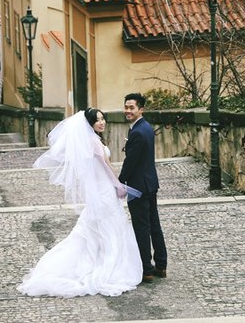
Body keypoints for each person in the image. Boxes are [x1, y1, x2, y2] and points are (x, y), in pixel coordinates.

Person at [17, 108, 142, 298]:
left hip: (100, 189)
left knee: (100, 227)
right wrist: (118, 185)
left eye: (102, 119)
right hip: (104, 190)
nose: (102, 123)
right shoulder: (93, 141)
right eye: (97, 120)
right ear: (89, 124)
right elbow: (106, 166)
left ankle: (102, 258)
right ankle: (110, 264)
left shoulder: (92, 139)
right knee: (110, 225)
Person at [119, 93, 168, 282]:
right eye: (126, 107)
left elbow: (130, 162)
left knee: (142, 228)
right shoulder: (146, 127)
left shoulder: (138, 132)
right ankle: (161, 265)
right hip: (150, 184)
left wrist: (119, 182)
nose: (127, 111)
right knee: (154, 225)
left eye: (131, 108)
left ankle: (146, 269)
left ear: (141, 109)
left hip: (138, 187)